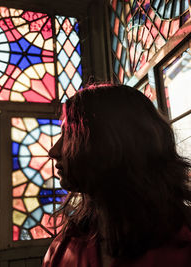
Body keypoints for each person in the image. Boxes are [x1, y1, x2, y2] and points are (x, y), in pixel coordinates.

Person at [42, 84, 191, 267]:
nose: (53, 151)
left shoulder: (184, 244)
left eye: (71, 135)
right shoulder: (62, 250)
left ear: (113, 143)